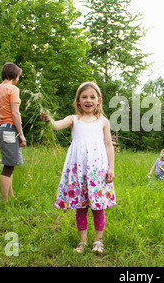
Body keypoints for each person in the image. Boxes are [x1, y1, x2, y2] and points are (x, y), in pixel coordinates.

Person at [41, 81, 116, 253]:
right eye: (84, 97)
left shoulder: (103, 121)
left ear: (99, 100)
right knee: (80, 207)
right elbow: (56, 125)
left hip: (97, 170)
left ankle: (98, 241)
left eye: (92, 97)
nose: (88, 100)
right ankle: (83, 242)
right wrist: (48, 120)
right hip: (78, 170)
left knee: (98, 207)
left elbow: (108, 145)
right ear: (78, 101)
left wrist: (111, 168)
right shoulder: (73, 119)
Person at [0, 62, 26, 203]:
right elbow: (15, 113)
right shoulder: (13, 89)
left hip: (2, 129)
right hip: (11, 129)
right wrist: (21, 135)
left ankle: (10, 195)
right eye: (18, 76)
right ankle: (3, 200)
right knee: (8, 167)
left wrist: (1, 125)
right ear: (14, 75)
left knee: (10, 164)